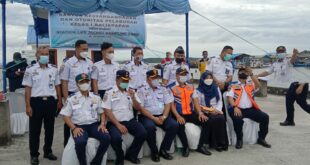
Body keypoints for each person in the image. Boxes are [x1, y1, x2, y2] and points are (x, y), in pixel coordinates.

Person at [22, 46, 62, 165]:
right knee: (35, 131)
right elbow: (28, 89)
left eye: (47, 54)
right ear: (37, 55)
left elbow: (57, 86)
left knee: (49, 129)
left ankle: (48, 151)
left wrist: (59, 101)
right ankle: (34, 155)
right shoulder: (30, 70)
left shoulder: (54, 69)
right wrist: (28, 105)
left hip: (50, 102)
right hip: (36, 103)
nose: (45, 56)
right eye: (43, 53)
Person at [60, 73, 110, 165]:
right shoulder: (71, 98)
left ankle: (96, 162)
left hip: (94, 125)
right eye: (82, 82)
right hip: (79, 126)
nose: (84, 84)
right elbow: (65, 116)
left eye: (86, 81)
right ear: (77, 84)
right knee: (80, 142)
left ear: (89, 82)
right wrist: (73, 128)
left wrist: (102, 124)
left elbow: (102, 112)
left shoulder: (96, 97)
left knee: (106, 137)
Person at [103, 70, 147, 165]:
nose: (125, 82)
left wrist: (133, 97)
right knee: (116, 138)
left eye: (127, 80)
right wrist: (118, 125)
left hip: (130, 120)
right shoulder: (109, 92)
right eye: (123, 80)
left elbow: (138, 107)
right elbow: (107, 110)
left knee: (142, 133)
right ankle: (120, 157)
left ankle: (131, 154)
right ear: (117, 79)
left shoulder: (131, 91)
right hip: (114, 122)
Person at [137, 69, 179, 162]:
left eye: (157, 77)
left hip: (162, 115)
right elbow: (141, 108)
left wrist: (164, 116)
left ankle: (164, 149)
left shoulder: (163, 88)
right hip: (147, 116)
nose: (156, 80)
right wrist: (154, 118)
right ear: (148, 79)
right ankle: (154, 151)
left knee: (174, 125)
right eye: (153, 78)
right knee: (149, 127)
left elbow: (167, 103)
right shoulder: (141, 89)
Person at [168, 67, 211, 157]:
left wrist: (200, 113)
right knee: (179, 126)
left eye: (185, 74)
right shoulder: (171, 87)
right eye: (181, 74)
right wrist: (177, 116)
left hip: (190, 113)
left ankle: (201, 146)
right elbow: (171, 105)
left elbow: (195, 102)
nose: (183, 76)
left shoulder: (190, 87)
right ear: (176, 75)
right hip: (178, 114)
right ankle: (185, 147)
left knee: (207, 121)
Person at [227, 67, 271, 149]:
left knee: (265, 117)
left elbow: (259, 85)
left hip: (250, 109)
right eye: (241, 72)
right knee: (238, 120)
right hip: (237, 108)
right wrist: (235, 107)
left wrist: (251, 74)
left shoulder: (250, 84)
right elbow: (229, 98)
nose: (243, 73)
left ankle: (261, 138)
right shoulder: (233, 85)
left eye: (245, 72)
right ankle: (239, 139)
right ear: (238, 74)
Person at [60, 40, 93, 147]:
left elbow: (91, 79)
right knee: (69, 122)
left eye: (86, 49)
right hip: (72, 95)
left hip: (86, 95)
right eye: (83, 49)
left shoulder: (89, 62)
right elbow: (64, 82)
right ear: (77, 49)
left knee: (85, 119)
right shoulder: (68, 63)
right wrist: (65, 99)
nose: (85, 51)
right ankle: (67, 146)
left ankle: (84, 144)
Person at [256, 46, 299, 126]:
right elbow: (267, 72)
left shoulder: (287, 62)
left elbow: (292, 60)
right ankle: (290, 120)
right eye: (279, 52)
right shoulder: (275, 64)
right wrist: (257, 75)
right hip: (285, 87)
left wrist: (295, 54)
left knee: (299, 103)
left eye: (282, 51)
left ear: (285, 52)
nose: (280, 53)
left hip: (291, 85)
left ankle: (290, 120)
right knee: (290, 104)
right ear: (276, 53)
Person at [195, 71, 228, 151]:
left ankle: (222, 143)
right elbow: (198, 104)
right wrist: (208, 111)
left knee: (221, 118)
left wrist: (217, 109)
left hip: (216, 109)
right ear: (202, 79)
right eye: (206, 78)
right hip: (205, 110)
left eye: (210, 78)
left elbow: (220, 100)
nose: (209, 80)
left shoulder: (216, 87)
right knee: (212, 119)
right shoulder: (199, 90)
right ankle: (214, 144)